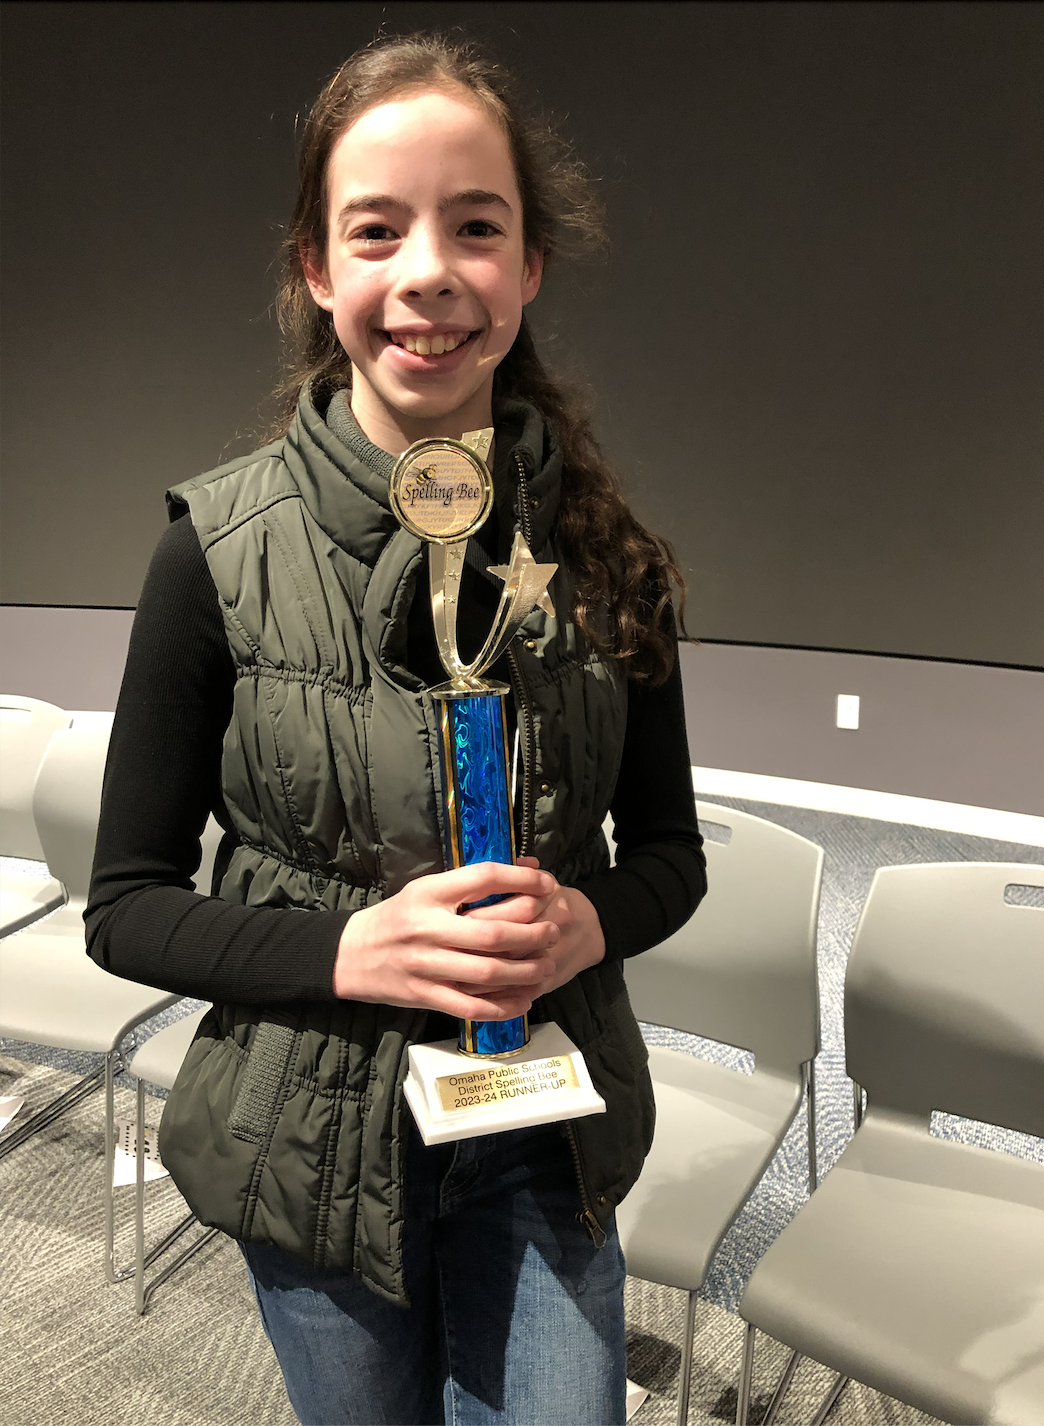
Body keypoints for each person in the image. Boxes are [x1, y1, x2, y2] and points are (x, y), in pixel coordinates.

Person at [86, 32, 705, 1426]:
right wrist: (348, 946)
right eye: (377, 229)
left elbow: (668, 853)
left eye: (474, 226)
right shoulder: (215, 549)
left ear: (529, 264)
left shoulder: (609, 557)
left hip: (542, 1131)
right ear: (317, 267)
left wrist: (587, 923)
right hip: (306, 1148)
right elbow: (126, 907)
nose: (427, 270)